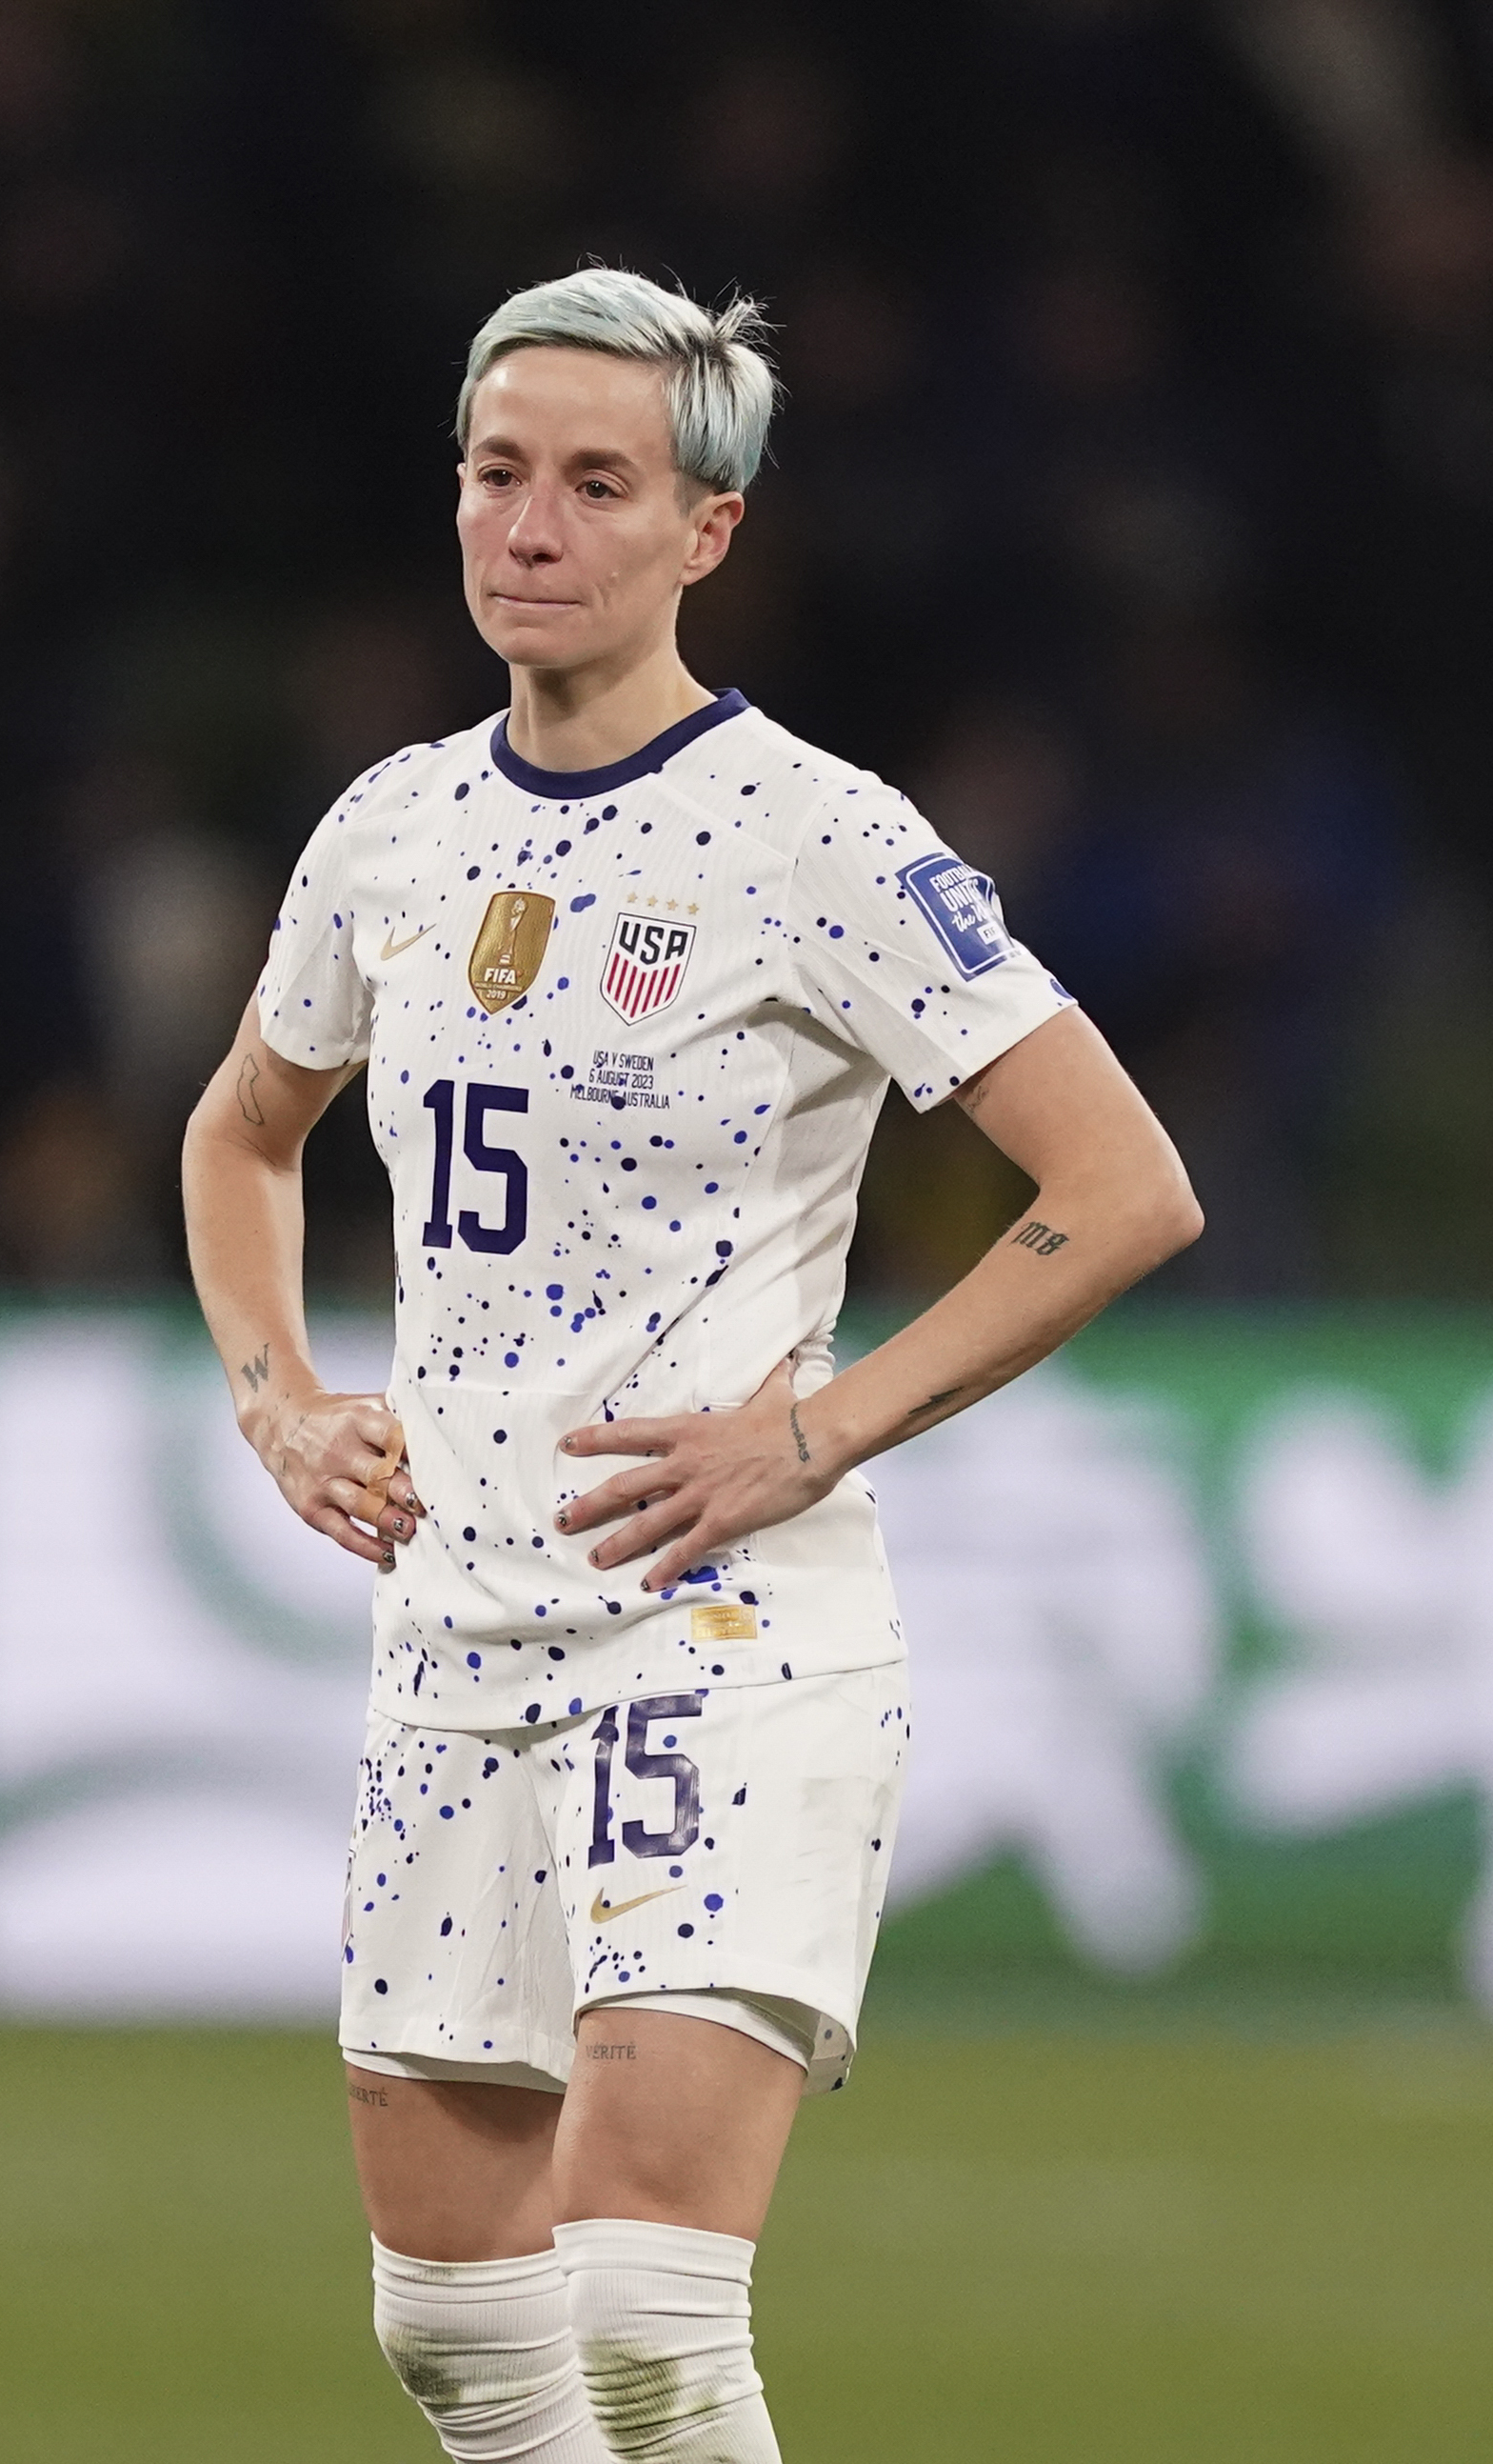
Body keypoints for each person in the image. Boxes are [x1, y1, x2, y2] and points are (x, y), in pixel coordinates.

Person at [179, 268, 1202, 2463]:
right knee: (458, 2343)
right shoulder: (386, 829)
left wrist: (810, 1430)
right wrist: (275, 1395)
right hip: (447, 1636)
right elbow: (241, 1128)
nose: (524, 527)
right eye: (491, 475)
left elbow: (1117, 1186)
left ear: (702, 532)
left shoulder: (809, 836)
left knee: (642, 2312)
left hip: (715, 1636)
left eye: (591, 484)